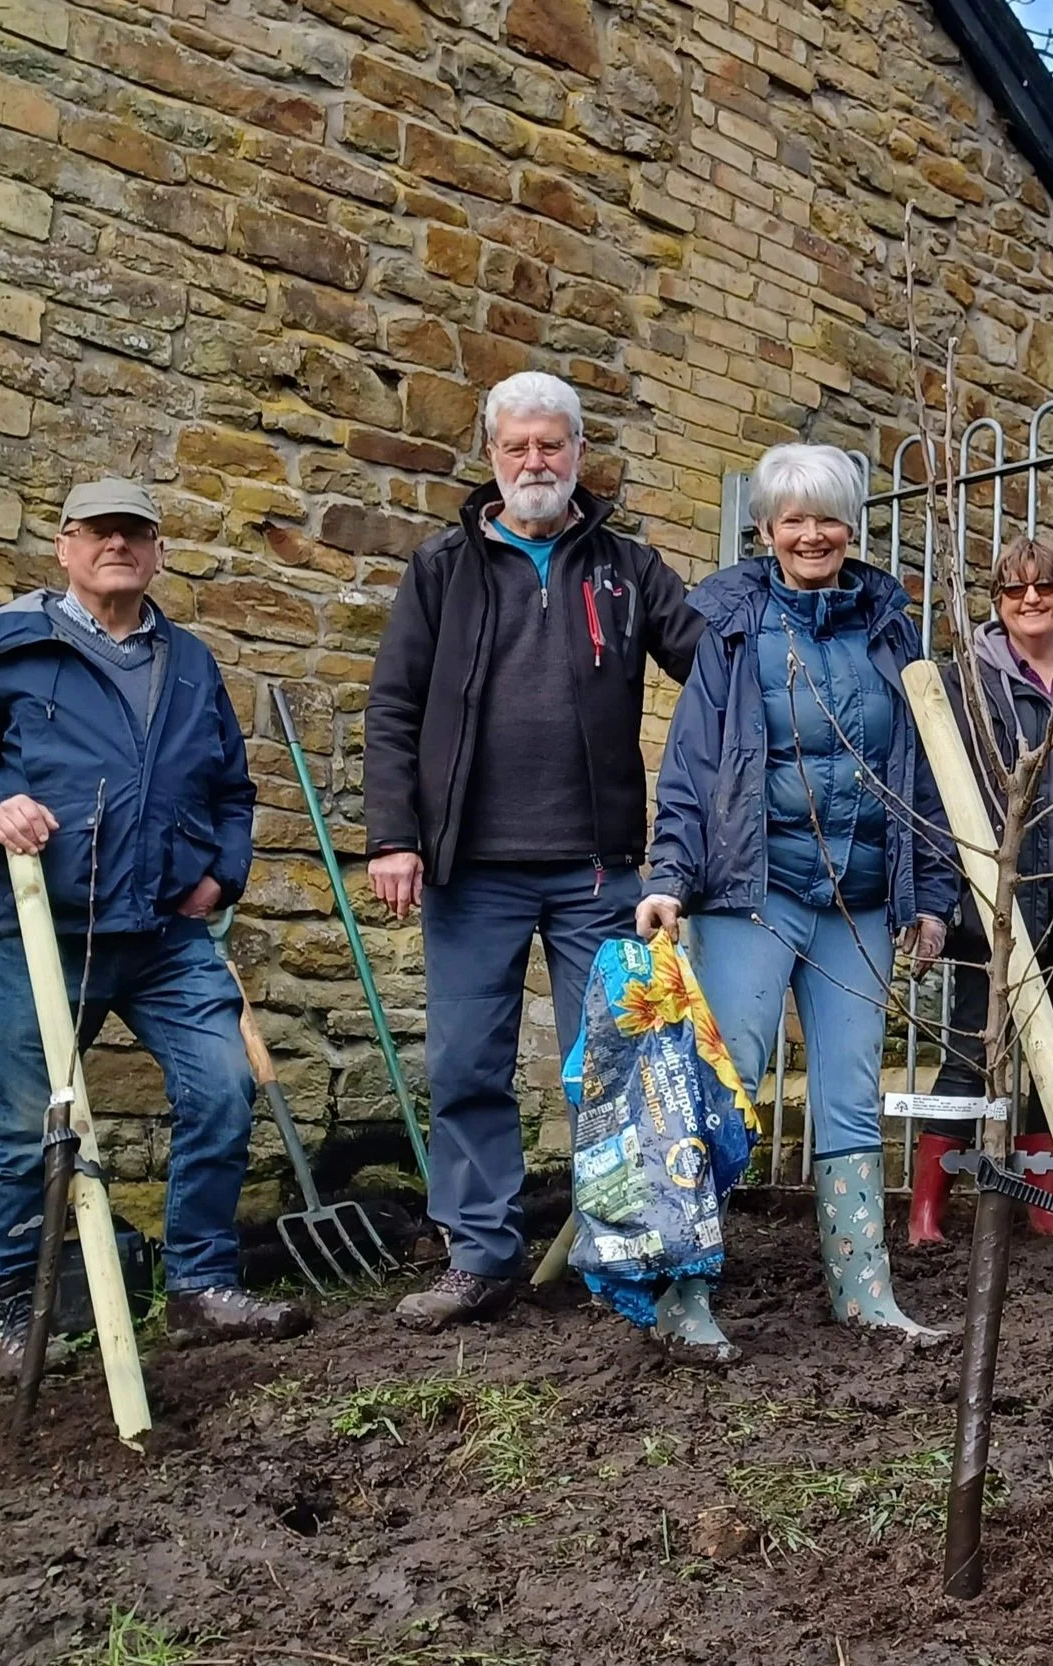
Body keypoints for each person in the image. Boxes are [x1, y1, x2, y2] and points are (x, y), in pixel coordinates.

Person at [0, 478, 308, 1377]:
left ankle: (201, 1287)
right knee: (29, 1124)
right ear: (65, 546)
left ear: (158, 550)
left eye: (135, 532)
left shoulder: (192, 662)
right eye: (97, 532)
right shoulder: (4, 646)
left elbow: (233, 793)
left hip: (165, 934)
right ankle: (15, 1310)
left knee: (222, 1089)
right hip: (47, 933)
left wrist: (222, 873)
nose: (116, 545)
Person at [365, 371, 703, 1332]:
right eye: (516, 447)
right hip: (468, 867)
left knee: (617, 1063)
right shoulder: (442, 570)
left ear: (579, 456)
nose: (534, 463)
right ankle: (479, 1257)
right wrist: (394, 835)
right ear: (491, 457)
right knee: (469, 1062)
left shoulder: (629, 570)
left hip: (596, 866)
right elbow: (392, 708)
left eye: (551, 445)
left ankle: (626, 1248)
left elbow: (713, 661)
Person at [636, 442, 958, 1359]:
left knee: (852, 1095)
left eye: (828, 517)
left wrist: (928, 894)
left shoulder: (891, 629)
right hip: (753, 890)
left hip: (857, 900)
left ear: (851, 525)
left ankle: (865, 1291)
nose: (811, 534)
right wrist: (666, 876)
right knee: (725, 1087)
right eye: (793, 518)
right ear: (766, 528)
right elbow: (693, 766)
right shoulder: (732, 630)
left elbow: (922, 773)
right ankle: (685, 1294)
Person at [912, 535, 1053, 1248]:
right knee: (972, 1046)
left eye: (1044, 587)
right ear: (996, 602)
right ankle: (930, 1208)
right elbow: (937, 788)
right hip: (995, 886)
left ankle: (1045, 1200)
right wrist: (941, 893)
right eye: (1014, 590)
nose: (1031, 600)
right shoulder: (970, 683)